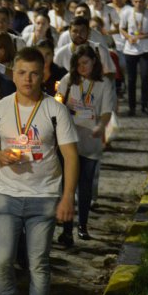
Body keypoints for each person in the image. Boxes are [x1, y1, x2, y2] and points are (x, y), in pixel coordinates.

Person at [0, 48, 79, 295]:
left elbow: (71, 156)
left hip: (44, 195)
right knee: (2, 261)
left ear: (43, 74)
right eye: (22, 73)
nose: (28, 79)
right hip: (7, 194)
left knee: (38, 263)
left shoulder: (54, 110)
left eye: (34, 73)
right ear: (12, 73)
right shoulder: (1, 108)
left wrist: (67, 197)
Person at [56, 45, 114, 242]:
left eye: (85, 63)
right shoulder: (68, 80)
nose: (82, 67)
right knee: (68, 185)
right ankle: (66, 230)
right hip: (69, 138)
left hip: (90, 138)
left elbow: (107, 110)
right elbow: (58, 103)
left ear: (94, 62)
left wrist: (101, 126)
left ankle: (82, 225)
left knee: (85, 184)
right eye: (78, 63)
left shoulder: (103, 83)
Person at [119, 0, 148, 116]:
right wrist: (128, 37)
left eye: (141, 1)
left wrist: (142, 36)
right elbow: (122, 28)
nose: (138, 4)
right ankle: (132, 107)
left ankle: (145, 105)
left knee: (145, 78)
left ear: (144, 2)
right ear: (132, 1)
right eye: (136, 1)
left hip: (145, 49)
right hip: (130, 50)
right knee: (131, 79)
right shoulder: (126, 12)